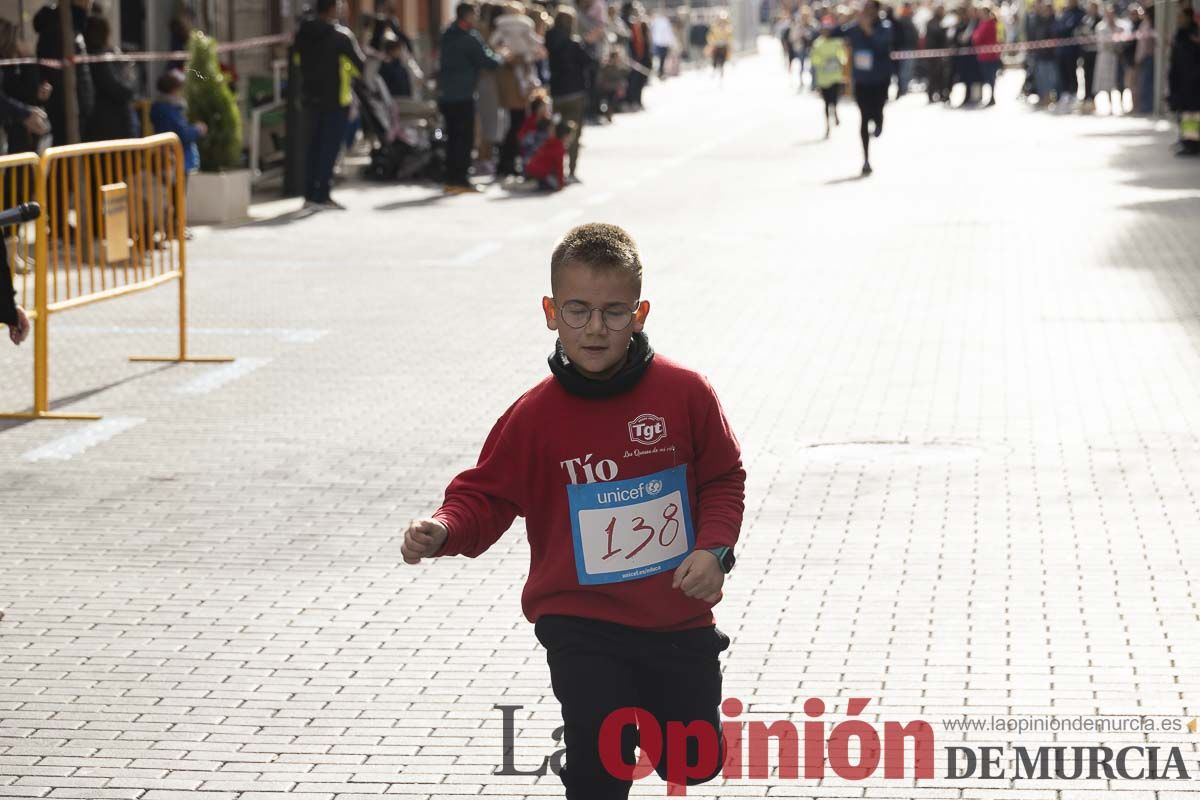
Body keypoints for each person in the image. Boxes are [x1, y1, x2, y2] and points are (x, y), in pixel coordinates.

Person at [402, 221, 745, 800]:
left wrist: (714, 550)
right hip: (580, 621)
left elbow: (722, 478)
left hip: (675, 616)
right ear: (550, 311)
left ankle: (653, 715)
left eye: (614, 312)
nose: (594, 328)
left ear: (640, 313)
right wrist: (444, 528)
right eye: (578, 309)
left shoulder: (685, 393)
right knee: (599, 762)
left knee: (694, 764)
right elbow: (485, 494)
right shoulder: (535, 416)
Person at [294, 0, 366, 209]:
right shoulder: (341, 35)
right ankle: (322, 194)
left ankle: (309, 194)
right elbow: (359, 65)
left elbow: (297, 61)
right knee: (329, 148)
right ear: (333, 8)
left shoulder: (303, 33)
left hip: (309, 97)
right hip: (336, 99)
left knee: (312, 147)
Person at [437, 2, 507, 194]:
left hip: (446, 95)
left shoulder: (446, 34)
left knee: (452, 138)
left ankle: (451, 179)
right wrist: (502, 56)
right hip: (463, 95)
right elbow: (488, 61)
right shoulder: (470, 38)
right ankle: (461, 180)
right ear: (467, 16)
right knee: (464, 139)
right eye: (474, 14)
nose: (477, 18)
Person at [832, 0, 892, 175]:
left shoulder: (884, 26)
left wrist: (868, 30)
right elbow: (835, 33)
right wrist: (845, 18)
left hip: (880, 79)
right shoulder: (854, 27)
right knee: (864, 117)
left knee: (877, 111)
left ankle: (879, 120)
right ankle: (866, 159)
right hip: (862, 81)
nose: (867, 13)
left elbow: (882, 45)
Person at [547, 7, 594, 183]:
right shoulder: (574, 44)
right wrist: (588, 43)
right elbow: (589, 61)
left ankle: (554, 168)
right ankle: (571, 170)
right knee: (573, 133)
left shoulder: (549, 41)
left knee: (556, 131)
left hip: (556, 93)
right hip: (574, 94)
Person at [84, 14, 138, 141]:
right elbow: (118, 88)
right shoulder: (100, 59)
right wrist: (125, 70)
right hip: (109, 125)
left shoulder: (99, 56)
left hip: (105, 124)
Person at [150, 71, 207, 177]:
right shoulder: (169, 109)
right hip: (177, 161)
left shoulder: (160, 107)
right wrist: (198, 129)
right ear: (174, 90)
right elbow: (182, 134)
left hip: (171, 161)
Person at [1167, 4, 1200, 155]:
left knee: (1191, 113)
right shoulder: (1180, 34)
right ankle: (1185, 140)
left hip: (1192, 82)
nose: (1179, 19)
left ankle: (1192, 143)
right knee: (1183, 112)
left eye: (1181, 16)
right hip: (1181, 80)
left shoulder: (1194, 36)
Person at [810, 15, 847, 137]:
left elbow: (843, 56)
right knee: (826, 103)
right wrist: (824, 61)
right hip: (824, 79)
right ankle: (827, 125)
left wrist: (840, 60)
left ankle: (835, 112)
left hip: (835, 77)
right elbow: (814, 59)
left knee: (834, 99)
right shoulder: (818, 44)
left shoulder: (836, 42)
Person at [1092, 4, 1126, 112]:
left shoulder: (1120, 26)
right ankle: (1110, 105)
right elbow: (1103, 43)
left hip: (1118, 57)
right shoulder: (1101, 27)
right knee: (1107, 84)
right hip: (1106, 57)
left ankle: (1121, 104)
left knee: (1119, 82)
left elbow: (1122, 42)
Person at [523, 119, 573, 189]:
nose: (571, 139)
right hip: (540, 174)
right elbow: (559, 167)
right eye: (570, 136)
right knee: (555, 183)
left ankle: (533, 182)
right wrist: (561, 184)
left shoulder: (550, 141)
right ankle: (536, 184)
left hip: (530, 171)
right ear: (565, 136)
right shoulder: (559, 147)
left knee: (556, 178)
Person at [971, 2, 1000, 106]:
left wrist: (975, 37)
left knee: (990, 77)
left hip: (989, 55)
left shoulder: (989, 24)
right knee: (988, 77)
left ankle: (992, 97)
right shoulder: (983, 23)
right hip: (984, 55)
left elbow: (978, 37)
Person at [924, 5, 951, 103]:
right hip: (933, 54)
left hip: (939, 53)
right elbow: (936, 33)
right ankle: (931, 95)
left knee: (940, 75)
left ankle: (940, 94)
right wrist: (944, 29)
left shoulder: (939, 22)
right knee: (933, 75)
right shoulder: (932, 22)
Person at [706, 10, 734, 80]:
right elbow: (710, 36)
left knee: (723, 59)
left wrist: (727, 42)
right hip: (716, 46)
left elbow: (730, 37)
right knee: (714, 58)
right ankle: (714, 69)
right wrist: (713, 42)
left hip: (724, 46)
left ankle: (721, 70)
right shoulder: (714, 28)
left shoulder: (728, 29)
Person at [650, 7, 676, 78]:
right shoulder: (660, 21)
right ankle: (659, 72)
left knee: (660, 58)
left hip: (659, 42)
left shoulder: (660, 21)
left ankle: (660, 72)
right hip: (661, 43)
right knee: (660, 58)